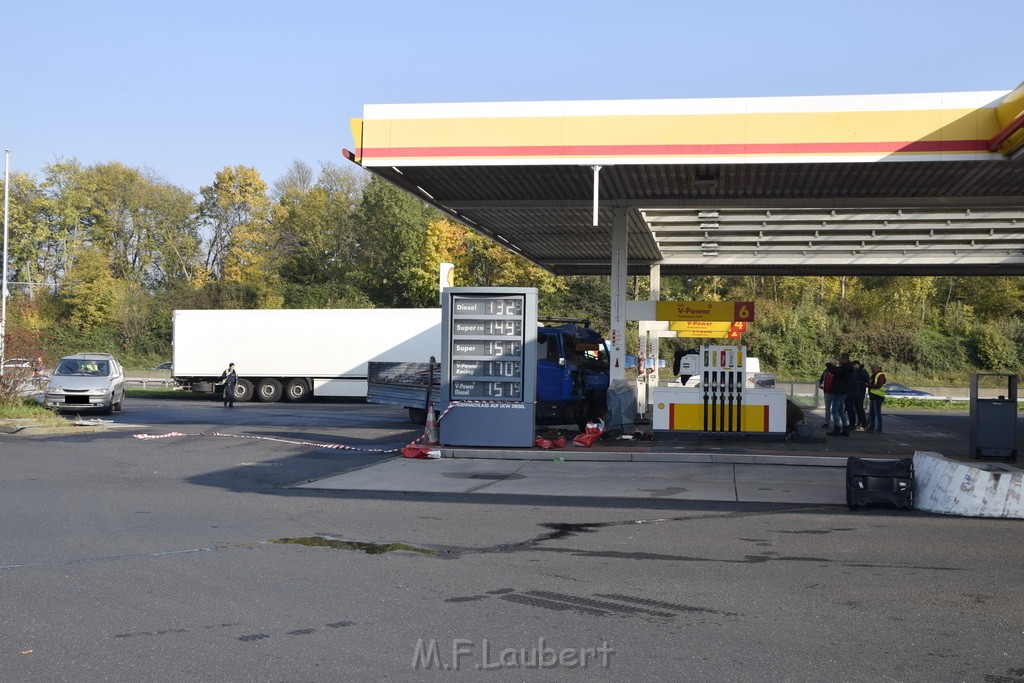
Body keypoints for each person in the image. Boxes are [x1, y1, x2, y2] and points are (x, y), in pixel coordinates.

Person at [827, 353, 854, 437]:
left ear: (844, 359)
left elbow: (836, 371)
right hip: (843, 392)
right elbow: (837, 370)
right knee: (841, 411)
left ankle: (837, 428)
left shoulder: (846, 367)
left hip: (839, 391)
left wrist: (828, 364)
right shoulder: (848, 367)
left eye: (840, 359)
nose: (839, 360)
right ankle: (845, 428)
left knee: (834, 411)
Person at [847, 360, 870, 431]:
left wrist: (858, 383)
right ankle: (861, 423)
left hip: (860, 391)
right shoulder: (858, 371)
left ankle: (863, 423)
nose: (853, 367)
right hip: (856, 391)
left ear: (857, 365)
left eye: (854, 365)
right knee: (857, 407)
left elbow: (867, 381)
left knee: (859, 407)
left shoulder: (862, 371)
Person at [866, 363, 887, 432]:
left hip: (878, 396)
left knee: (877, 412)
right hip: (874, 395)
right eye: (871, 369)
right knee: (872, 412)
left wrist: (869, 385)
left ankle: (879, 427)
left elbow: (879, 385)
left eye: (873, 369)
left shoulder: (880, 375)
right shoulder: (874, 375)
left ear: (877, 368)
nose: (872, 370)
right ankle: (872, 426)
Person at [818, 360, 836, 428]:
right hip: (827, 392)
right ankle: (827, 422)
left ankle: (836, 423)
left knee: (835, 409)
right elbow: (821, 378)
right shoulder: (826, 371)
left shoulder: (837, 371)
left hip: (834, 392)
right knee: (827, 408)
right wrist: (820, 384)